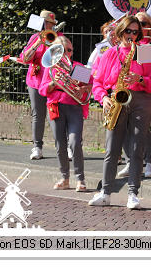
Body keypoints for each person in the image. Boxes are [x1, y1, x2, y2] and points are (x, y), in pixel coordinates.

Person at [88, 15, 151, 209]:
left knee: (137, 149)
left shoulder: (147, 51)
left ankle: (133, 194)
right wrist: (103, 97)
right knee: (112, 150)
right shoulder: (110, 54)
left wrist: (140, 79)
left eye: (135, 32)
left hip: (141, 100)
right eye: (128, 31)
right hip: (116, 100)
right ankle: (105, 192)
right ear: (120, 32)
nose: (131, 35)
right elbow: (98, 82)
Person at [38, 36, 90, 192]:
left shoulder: (77, 67)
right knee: (60, 144)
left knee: (75, 142)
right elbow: (42, 90)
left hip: (74, 107)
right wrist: (54, 83)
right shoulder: (51, 69)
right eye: (62, 50)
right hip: (56, 106)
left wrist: (83, 89)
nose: (66, 53)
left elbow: (90, 86)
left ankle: (80, 179)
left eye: (69, 50)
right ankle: (64, 178)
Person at [117, 12, 151, 179]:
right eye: (130, 29)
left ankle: (149, 161)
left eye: (143, 24)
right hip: (125, 93)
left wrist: (140, 79)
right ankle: (130, 161)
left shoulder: (149, 48)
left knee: (143, 131)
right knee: (123, 129)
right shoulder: (126, 46)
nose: (138, 28)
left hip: (143, 94)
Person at [20, 10, 61, 160]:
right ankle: (37, 147)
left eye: (49, 23)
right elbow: (24, 59)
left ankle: (62, 147)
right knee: (38, 114)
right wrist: (38, 42)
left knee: (55, 114)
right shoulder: (34, 38)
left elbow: (65, 57)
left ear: (53, 25)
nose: (46, 25)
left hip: (51, 82)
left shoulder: (59, 38)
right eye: (44, 23)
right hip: (36, 81)